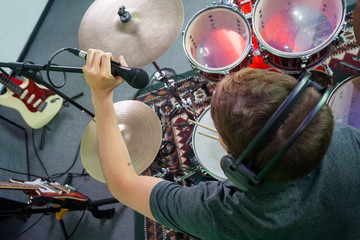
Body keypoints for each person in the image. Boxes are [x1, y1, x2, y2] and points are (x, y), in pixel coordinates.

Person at [83, 49, 360, 240]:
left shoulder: (231, 215)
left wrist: (101, 97)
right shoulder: (347, 136)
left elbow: (122, 183)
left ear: (234, 166)